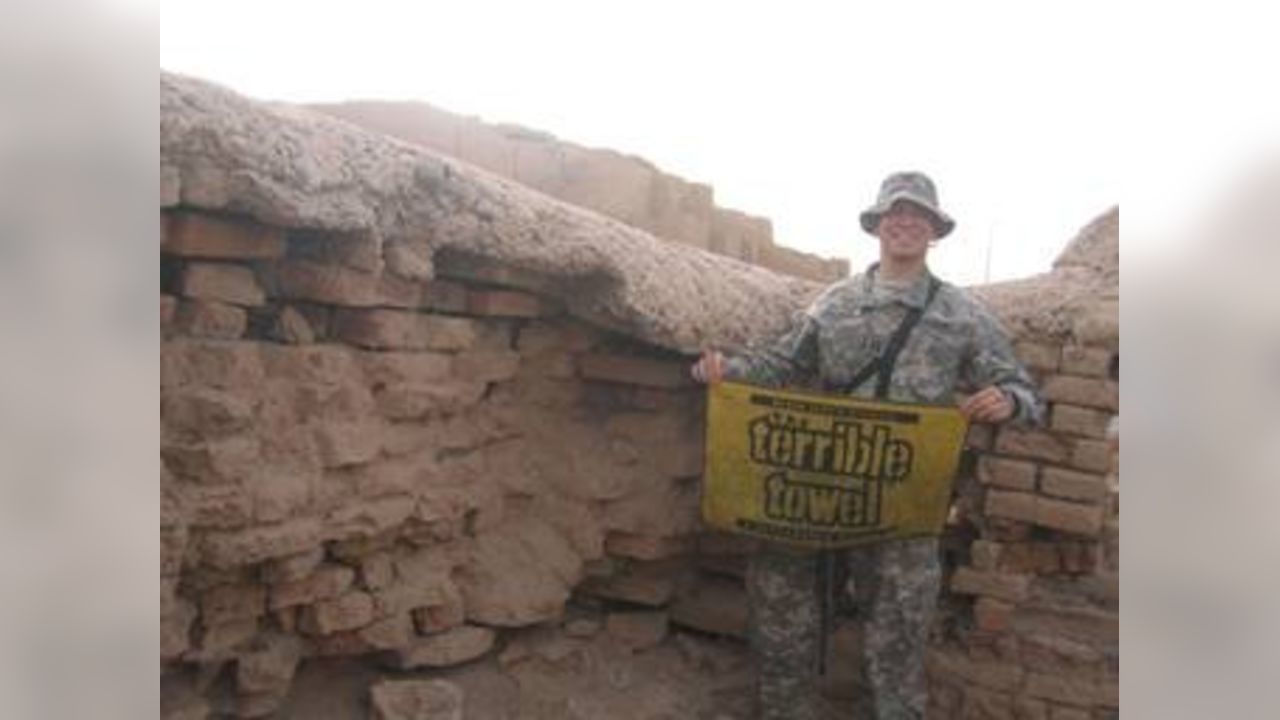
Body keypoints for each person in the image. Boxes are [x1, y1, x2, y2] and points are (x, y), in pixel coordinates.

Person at [690, 171, 1043, 720]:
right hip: (818, 489)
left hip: (902, 504)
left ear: (934, 231)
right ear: (878, 224)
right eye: (896, 212)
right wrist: (726, 371)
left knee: (898, 633)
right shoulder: (833, 304)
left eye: (918, 215)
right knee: (784, 611)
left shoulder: (960, 314)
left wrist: (1009, 400)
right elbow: (782, 366)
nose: (906, 221)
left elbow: (1024, 390)